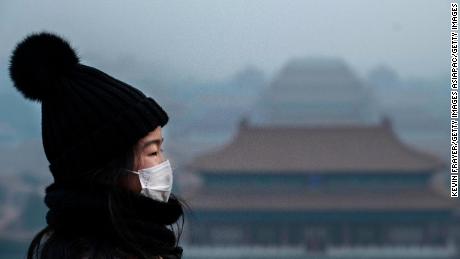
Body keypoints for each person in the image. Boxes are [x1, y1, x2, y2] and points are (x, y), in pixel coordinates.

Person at [8, 32, 185, 259]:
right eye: (152, 151)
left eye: (161, 149)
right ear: (107, 167)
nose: (163, 163)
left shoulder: (146, 244)